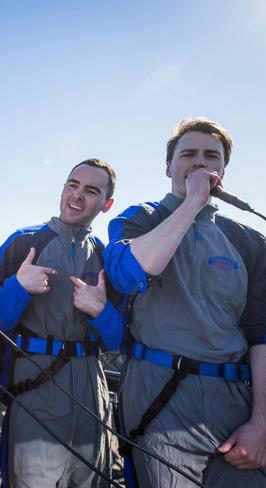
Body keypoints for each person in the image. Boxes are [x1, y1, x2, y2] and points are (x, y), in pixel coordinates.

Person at [104, 117, 266, 487]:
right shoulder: (140, 218)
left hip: (233, 406)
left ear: (224, 170)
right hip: (159, 400)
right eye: (188, 154)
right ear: (168, 167)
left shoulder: (249, 242)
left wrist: (261, 424)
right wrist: (192, 202)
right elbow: (131, 272)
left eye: (211, 156)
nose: (199, 162)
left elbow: (261, 335)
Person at [0, 159, 125, 487]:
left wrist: (100, 312)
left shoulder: (106, 256)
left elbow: (117, 338)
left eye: (91, 190)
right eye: (73, 185)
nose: (77, 195)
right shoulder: (23, 242)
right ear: (62, 188)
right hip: (36, 384)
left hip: (92, 392)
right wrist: (19, 288)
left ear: (106, 204)